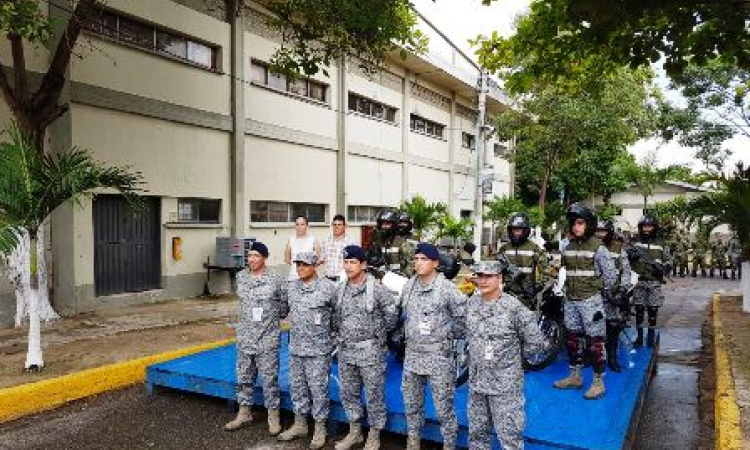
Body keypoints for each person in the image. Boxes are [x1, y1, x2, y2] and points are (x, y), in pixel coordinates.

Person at [466, 260, 544, 450]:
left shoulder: (514, 308)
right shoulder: (472, 303)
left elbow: (535, 343)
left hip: (505, 386)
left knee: (509, 438)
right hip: (477, 383)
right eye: (480, 276)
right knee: (477, 436)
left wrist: (512, 362)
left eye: (489, 276)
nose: (483, 281)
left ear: (499, 278)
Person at [400, 243, 466, 450]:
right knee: (411, 404)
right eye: (416, 259)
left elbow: (463, 318)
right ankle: (413, 441)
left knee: (443, 407)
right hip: (412, 356)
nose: (418, 263)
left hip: (438, 358)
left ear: (435, 263)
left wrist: (449, 336)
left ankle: (449, 444)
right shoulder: (409, 285)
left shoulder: (446, 288)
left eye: (424, 259)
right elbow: (401, 312)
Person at [333, 245, 399, 450]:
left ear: (363, 264)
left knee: (374, 394)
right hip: (346, 351)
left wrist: (377, 338)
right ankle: (355, 433)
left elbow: (391, 319)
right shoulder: (340, 289)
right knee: (349, 393)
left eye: (353, 262)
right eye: (346, 262)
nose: (348, 266)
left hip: (371, 352)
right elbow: (336, 319)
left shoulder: (377, 289)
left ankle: (374, 434)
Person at [553, 203, 615, 400]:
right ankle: (575, 376)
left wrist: (597, 292)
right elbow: (563, 270)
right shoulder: (568, 247)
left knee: (595, 343)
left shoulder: (599, 248)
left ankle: (598, 382)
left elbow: (611, 277)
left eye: (580, 223)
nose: (576, 227)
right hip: (571, 300)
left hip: (591, 302)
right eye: (573, 223)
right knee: (572, 340)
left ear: (589, 224)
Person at [225, 241, 288, 434]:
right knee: (244, 376)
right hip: (245, 336)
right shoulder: (241, 277)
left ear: (264, 258)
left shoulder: (276, 279)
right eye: (250, 255)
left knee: (269, 379)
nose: (252, 259)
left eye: (256, 256)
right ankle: (244, 413)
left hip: (267, 338)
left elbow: (284, 308)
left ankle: (273, 416)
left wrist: (269, 319)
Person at [278, 252, 336, 449]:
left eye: (304, 264)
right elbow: (282, 311)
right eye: (298, 264)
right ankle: (300, 424)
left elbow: (338, 317)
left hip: (319, 351)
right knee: (297, 388)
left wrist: (333, 342)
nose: (300, 267)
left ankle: (320, 428)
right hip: (296, 348)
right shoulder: (291, 287)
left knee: (318, 390)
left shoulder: (328, 288)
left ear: (314, 266)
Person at [626, 215, 672, 348]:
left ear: (654, 227)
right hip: (638, 280)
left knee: (653, 309)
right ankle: (639, 337)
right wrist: (631, 255)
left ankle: (651, 336)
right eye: (644, 226)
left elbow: (669, 259)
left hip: (654, 281)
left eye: (649, 226)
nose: (647, 229)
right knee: (639, 308)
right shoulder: (634, 241)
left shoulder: (661, 243)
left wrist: (665, 268)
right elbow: (625, 253)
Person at [595, 219, 632, 372]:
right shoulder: (591, 248)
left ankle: (612, 357)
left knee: (613, 326)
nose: (600, 234)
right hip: (595, 294)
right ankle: (593, 356)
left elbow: (626, 271)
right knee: (593, 327)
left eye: (603, 231)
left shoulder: (618, 250)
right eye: (598, 231)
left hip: (614, 295)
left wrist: (623, 290)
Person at [497, 213, 549, 309]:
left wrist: (538, 287)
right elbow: (496, 271)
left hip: (526, 296)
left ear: (525, 230)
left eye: (519, 230)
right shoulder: (504, 249)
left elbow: (545, 270)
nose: (516, 233)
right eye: (513, 230)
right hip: (507, 294)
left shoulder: (534, 248)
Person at [367, 209, 414, 276]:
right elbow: (370, 263)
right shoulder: (376, 243)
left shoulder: (403, 242)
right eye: (382, 224)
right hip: (379, 281)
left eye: (387, 224)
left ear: (394, 225)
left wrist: (404, 278)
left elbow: (411, 265)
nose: (384, 226)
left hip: (399, 281)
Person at [284, 215, 322, 281]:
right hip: (294, 277)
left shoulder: (313, 240)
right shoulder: (290, 240)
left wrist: (308, 268)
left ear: (307, 226)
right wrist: (297, 267)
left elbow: (320, 258)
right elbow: (287, 259)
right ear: (295, 226)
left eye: (302, 224)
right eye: (297, 224)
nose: (299, 227)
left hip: (310, 278)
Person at [320, 214, 355, 282]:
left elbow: (355, 263)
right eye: (334, 225)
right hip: (328, 280)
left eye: (339, 225)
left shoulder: (351, 242)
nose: (336, 227)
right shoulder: (326, 241)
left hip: (344, 280)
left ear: (345, 226)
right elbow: (322, 259)